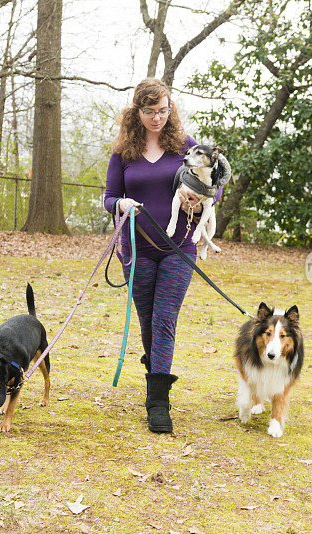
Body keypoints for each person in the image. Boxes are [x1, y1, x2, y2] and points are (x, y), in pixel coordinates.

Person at [104, 78, 216, 434]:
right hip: (136, 249)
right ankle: (157, 372)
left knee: (164, 319)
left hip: (179, 247)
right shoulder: (124, 152)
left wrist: (198, 200)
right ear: (137, 112)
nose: (157, 118)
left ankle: (157, 402)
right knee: (148, 319)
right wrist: (120, 204)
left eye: (163, 111)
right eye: (150, 111)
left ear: (171, 109)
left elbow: (213, 184)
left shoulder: (186, 146)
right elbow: (109, 196)